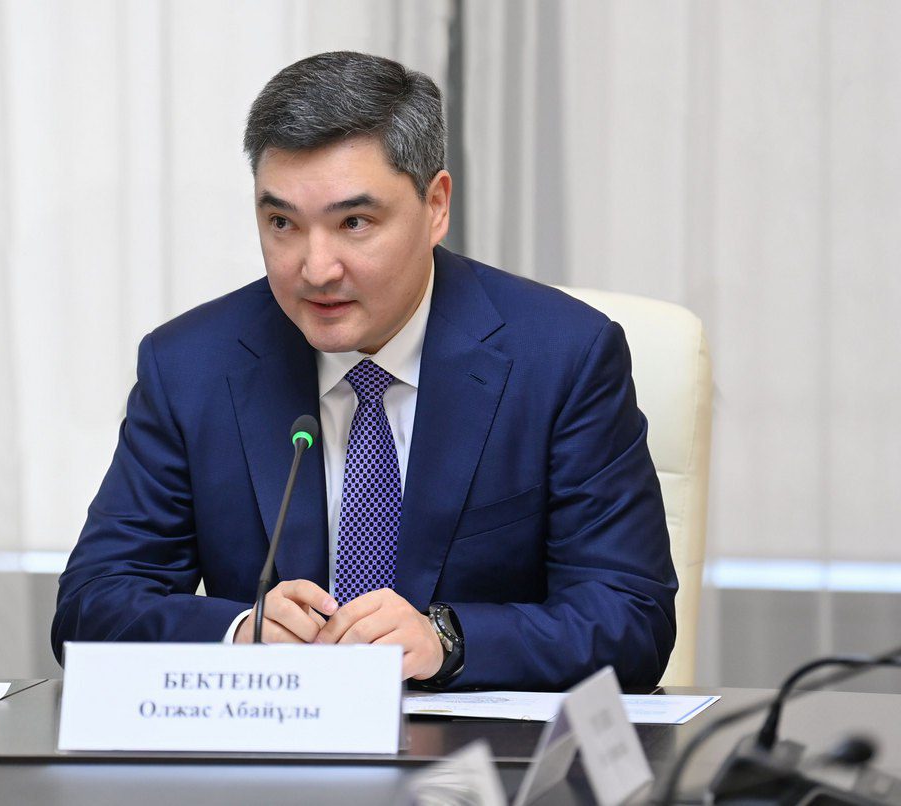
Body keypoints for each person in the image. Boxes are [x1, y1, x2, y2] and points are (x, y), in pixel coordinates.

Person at [52, 51, 677, 691]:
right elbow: (90, 607)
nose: (316, 269)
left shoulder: (563, 358)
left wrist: (447, 641)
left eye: (354, 222)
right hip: (276, 744)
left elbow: (632, 617)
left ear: (436, 206)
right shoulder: (191, 367)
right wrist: (238, 633)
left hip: (477, 748)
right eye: (282, 223)